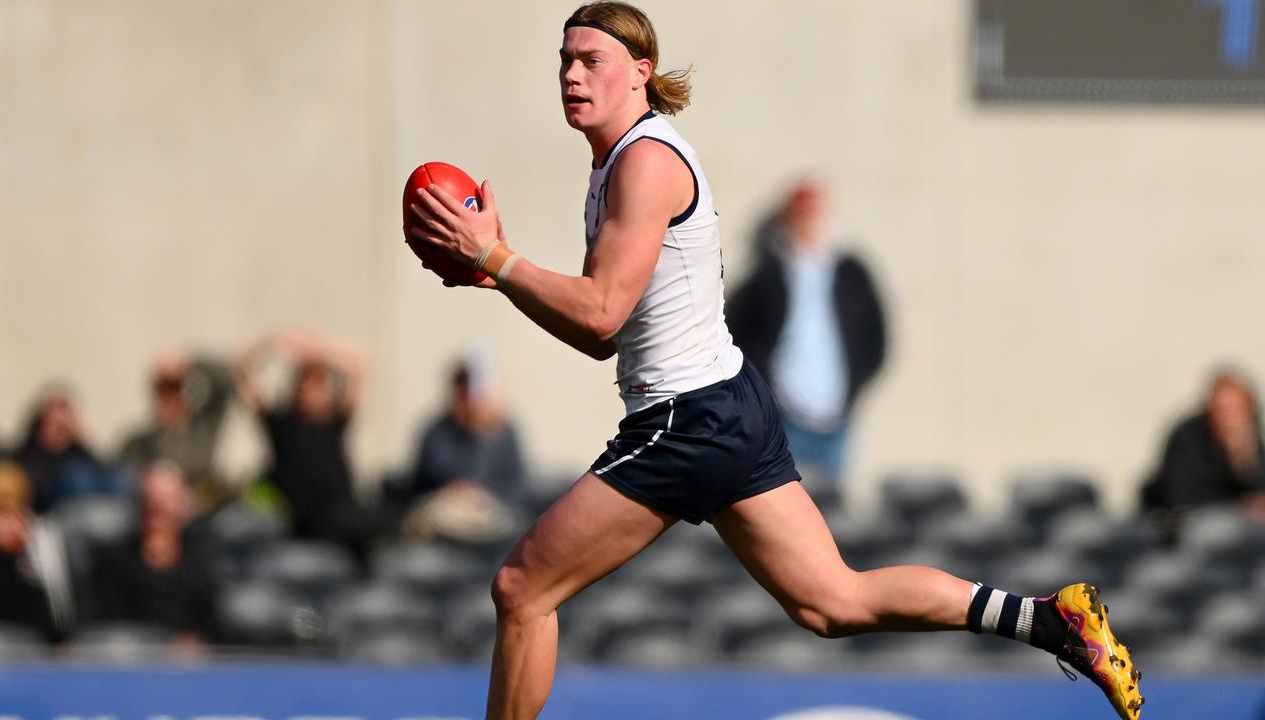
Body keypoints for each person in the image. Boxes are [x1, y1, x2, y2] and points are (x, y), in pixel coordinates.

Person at [406, 3, 1143, 718]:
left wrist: (495, 259)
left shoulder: (645, 164)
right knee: (833, 603)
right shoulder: (617, 164)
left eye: (590, 60)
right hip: (727, 404)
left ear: (639, 71)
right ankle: (1048, 621)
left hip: (688, 419)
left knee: (521, 590)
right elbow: (599, 325)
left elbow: (600, 315)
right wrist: (491, 271)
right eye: (564, 60)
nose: (571, 74)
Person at [726, 180, 886, 493]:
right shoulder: (767, 273)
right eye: (800, 217)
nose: (807, 225)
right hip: (786, 412)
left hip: (838, 411)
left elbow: (875, 336)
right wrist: (766, 393)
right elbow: (740, 336)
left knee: (832, 502)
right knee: (787, 497)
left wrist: (855, 386)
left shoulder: (851, 271)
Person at [236, 329, 375, 558]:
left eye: (319, 383)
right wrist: (275, 342)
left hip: (340, 521)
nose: (313, 391)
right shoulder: (281, 421)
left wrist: (320, 349)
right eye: (307, 382)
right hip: (295, 522)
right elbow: (242, 368)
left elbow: (360, 363)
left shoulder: (336, 420)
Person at [386, 350, 528, 544]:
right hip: (444, 515)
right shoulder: (437, 431)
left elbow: (515, 490)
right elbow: (431, 478)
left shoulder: (503, 431)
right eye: (462, 392)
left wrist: (484, 434)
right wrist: (458, 491)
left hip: (488, 518)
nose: (468, 400)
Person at [90, 461, 217, 645]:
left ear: (183, 506)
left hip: (189, 668)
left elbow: (212, 625)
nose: (158, 507)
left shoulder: (201, 561)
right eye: (151, 499)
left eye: (167, 500)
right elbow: (104, 625)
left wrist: (195, 642)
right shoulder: (112, 560)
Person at [1141, 369, 1265, 542]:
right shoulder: (1187, 435)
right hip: (1179, 530)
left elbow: (1258, 498)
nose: (1229, 418)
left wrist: (1244, 461)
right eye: (1222, 410)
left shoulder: (1251, 441)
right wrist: (1237, 507)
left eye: (1237, 410)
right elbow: (1180, 496)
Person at [118, 348, 236, 510]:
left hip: (205, 514)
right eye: (163, 390)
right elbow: (124, 480)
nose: (170, 398)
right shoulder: (139, 441)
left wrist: (189, 362)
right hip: (159, 515)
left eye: (175, 389)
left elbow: (227, 379)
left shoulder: (202, 427)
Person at [0, 460, 75, 642]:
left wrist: (18, 556)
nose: (12, 521)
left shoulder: (43, 549)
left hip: (33, 657)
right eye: (1, 511)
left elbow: (53, 621)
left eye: (18, 509)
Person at [13, 385, 123, 514]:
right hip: (54, 514)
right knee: (78, 478)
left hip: (94, 513)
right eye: (54, 424)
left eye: (64, 427)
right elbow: (38, 491)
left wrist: (85, 442)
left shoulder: (79, 451)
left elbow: (110, 479)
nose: (59, 432)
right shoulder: (27, 455)